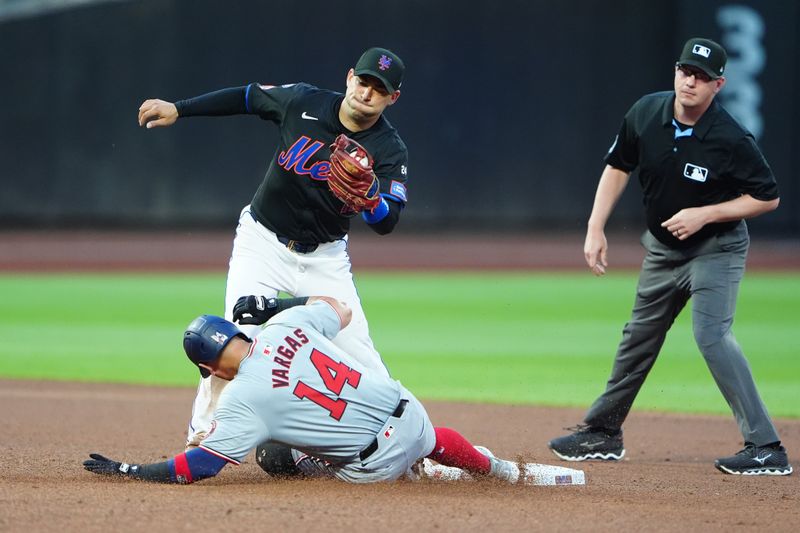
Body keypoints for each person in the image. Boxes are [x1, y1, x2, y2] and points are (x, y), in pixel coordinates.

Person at [136, 47, 410, 449]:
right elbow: (246, 96)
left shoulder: (389, 149)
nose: (367, 92)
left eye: (379, 88)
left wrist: (373, 203)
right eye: (364, 81)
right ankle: (204, 434)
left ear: (392, 98)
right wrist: (180, 109)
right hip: (262, 243)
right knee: (233, 338)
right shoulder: (303, 101)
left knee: (366, 365)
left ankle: (406, 443)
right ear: (349, 76)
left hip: (326, 260)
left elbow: (387, 223)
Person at [547, 38, 792, 476]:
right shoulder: (646, 113)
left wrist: (706, 214)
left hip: (716, 249)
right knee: (637, 337)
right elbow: (618, 165)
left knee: (712, 337)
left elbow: (767, 196)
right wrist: (594, 227)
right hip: (662, 251)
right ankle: (603, 433)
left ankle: (765, 445)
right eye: (685, 71)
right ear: (675, 72)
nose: (690, 81)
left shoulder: (730, 137)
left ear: (718, 84)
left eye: (701, 76)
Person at [82, 297, 525, 485]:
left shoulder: (241, 401)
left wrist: (130, 470)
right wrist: (278, 305)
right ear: (237, 330)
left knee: (272, 454)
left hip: (375, 468)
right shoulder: (286, 323)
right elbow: (340, 309)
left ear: (206, 368)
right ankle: (496, 468)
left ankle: (410, 469)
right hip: (412, 412)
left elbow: (198, 466)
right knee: (425, 434)